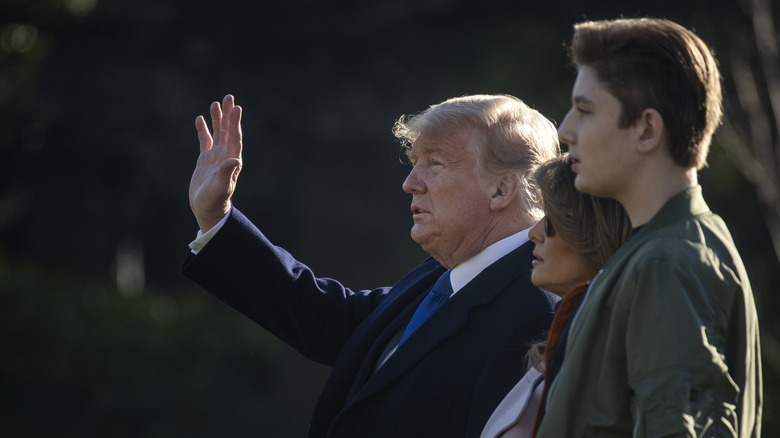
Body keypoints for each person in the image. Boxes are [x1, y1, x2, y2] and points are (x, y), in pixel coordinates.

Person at [181, 93, 562, 437]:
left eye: (436, 163)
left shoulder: (535, 314)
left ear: (502, 189)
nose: (410, 182)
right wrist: (217, 217)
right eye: (415, 162)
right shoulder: (444, 273)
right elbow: (332, 321)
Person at [537, 18, 762, 437]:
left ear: (647, 129)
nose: (565, 130)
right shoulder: (670, 248)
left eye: (585, 110)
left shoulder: (667, 262)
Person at [480, 154, 631, 438]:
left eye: (555, 219)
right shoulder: (568, 334)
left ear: (596, 230)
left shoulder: (614, 348)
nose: (534, 233)